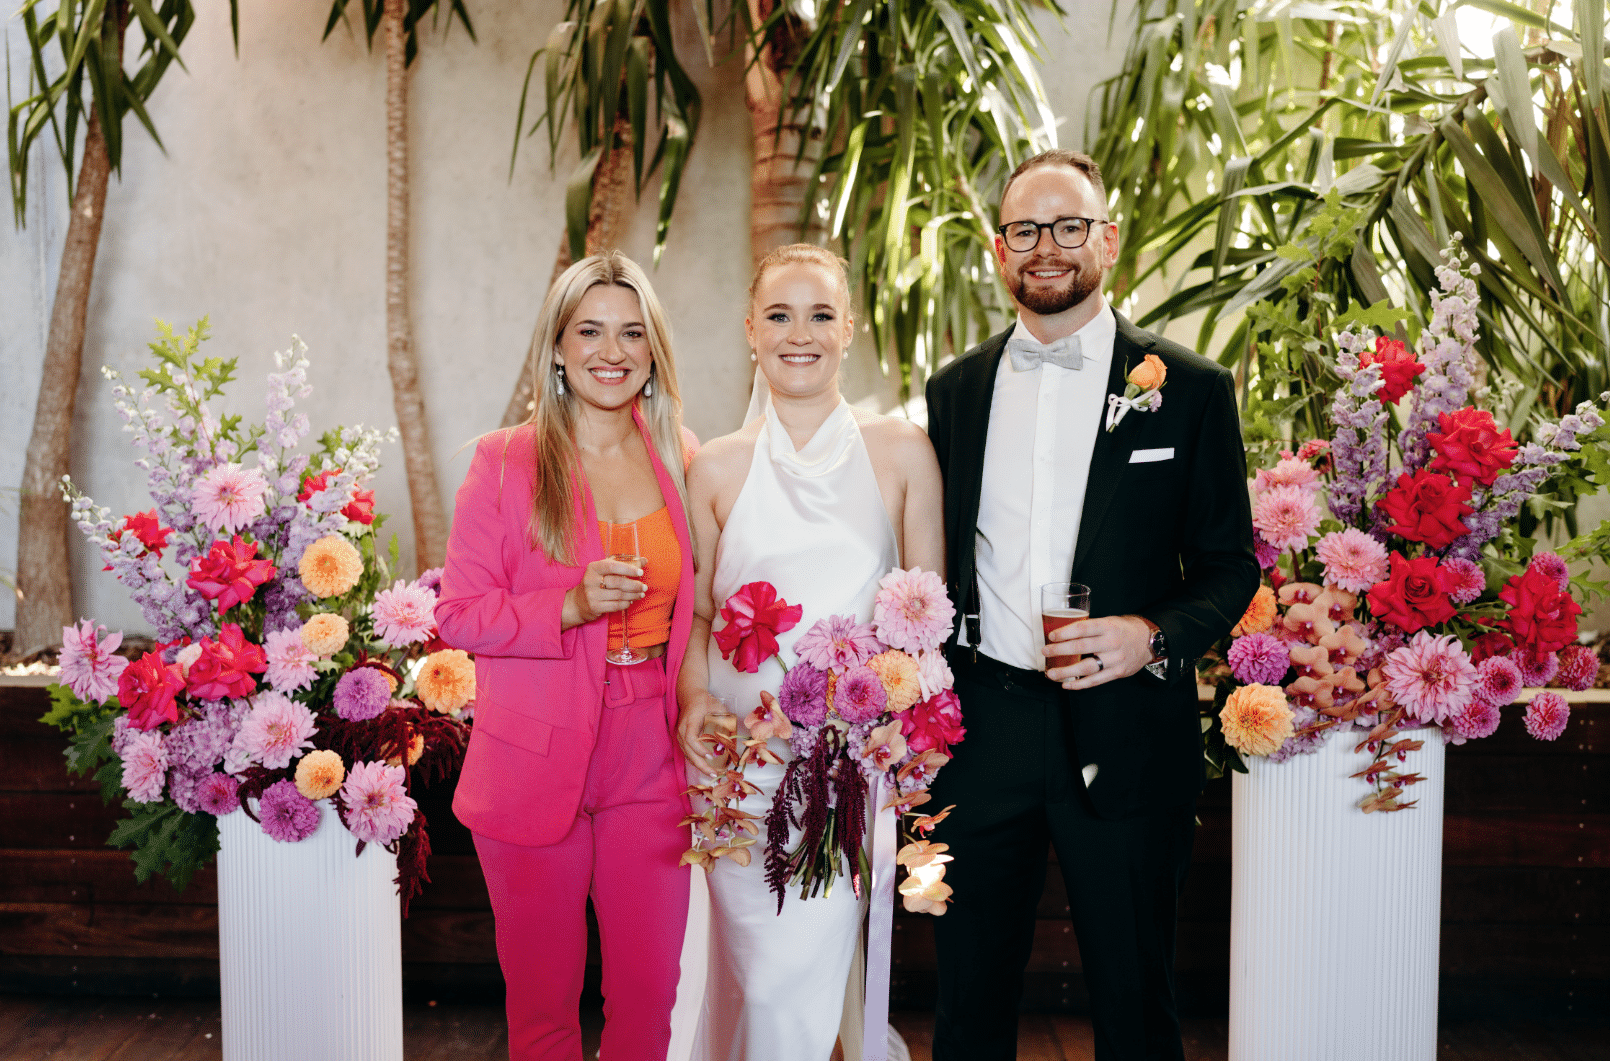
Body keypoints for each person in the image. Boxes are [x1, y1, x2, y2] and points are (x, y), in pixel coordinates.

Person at [923, 150, 1258, 1060]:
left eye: (1069, 226)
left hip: (1128, 726)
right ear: (1000, 250)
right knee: (966, 998)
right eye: (1026, 229)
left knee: (1133, 995)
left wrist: (1150, 633)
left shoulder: (1188, 389)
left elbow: (1232, 566)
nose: (1048, 248)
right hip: (981, 728)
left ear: (1106, 238)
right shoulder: (953, 393)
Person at [673, 243, 944, 1061]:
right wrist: (692, 701)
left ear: (848, 329)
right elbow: (695, 615)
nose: (801, 333)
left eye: (820, 314)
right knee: (747, 969)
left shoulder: (900, 451)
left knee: (794, 968)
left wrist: (903, 728)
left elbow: (927, 611)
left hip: (847, 762)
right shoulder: (715, 465)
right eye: (781, 315)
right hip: (735, 763)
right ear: (750, 329)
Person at [435, 251, 697, 1061]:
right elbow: (458, 612)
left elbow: (711, 602)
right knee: (544, 1012)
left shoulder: (684, 458)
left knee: (649, 1004)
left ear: (653, 349)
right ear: (556, 345)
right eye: (588, 330)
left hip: (651, 753)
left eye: (630, 332)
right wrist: (573, 604)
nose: (609, 351)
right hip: (531, 756)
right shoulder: (505, 460)